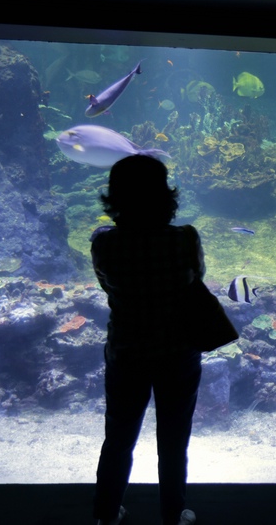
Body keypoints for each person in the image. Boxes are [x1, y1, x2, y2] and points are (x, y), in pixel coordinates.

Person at [91, 155, 202, 525]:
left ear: (115, 197)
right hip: (178, 351)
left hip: (126, 351)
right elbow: (195, 277)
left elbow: (108, 285)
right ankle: (173, 513)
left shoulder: (102, 243)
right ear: (165, 195)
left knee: (119, 437)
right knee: (173, 440)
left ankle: (106, 513)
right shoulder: (185, 238)